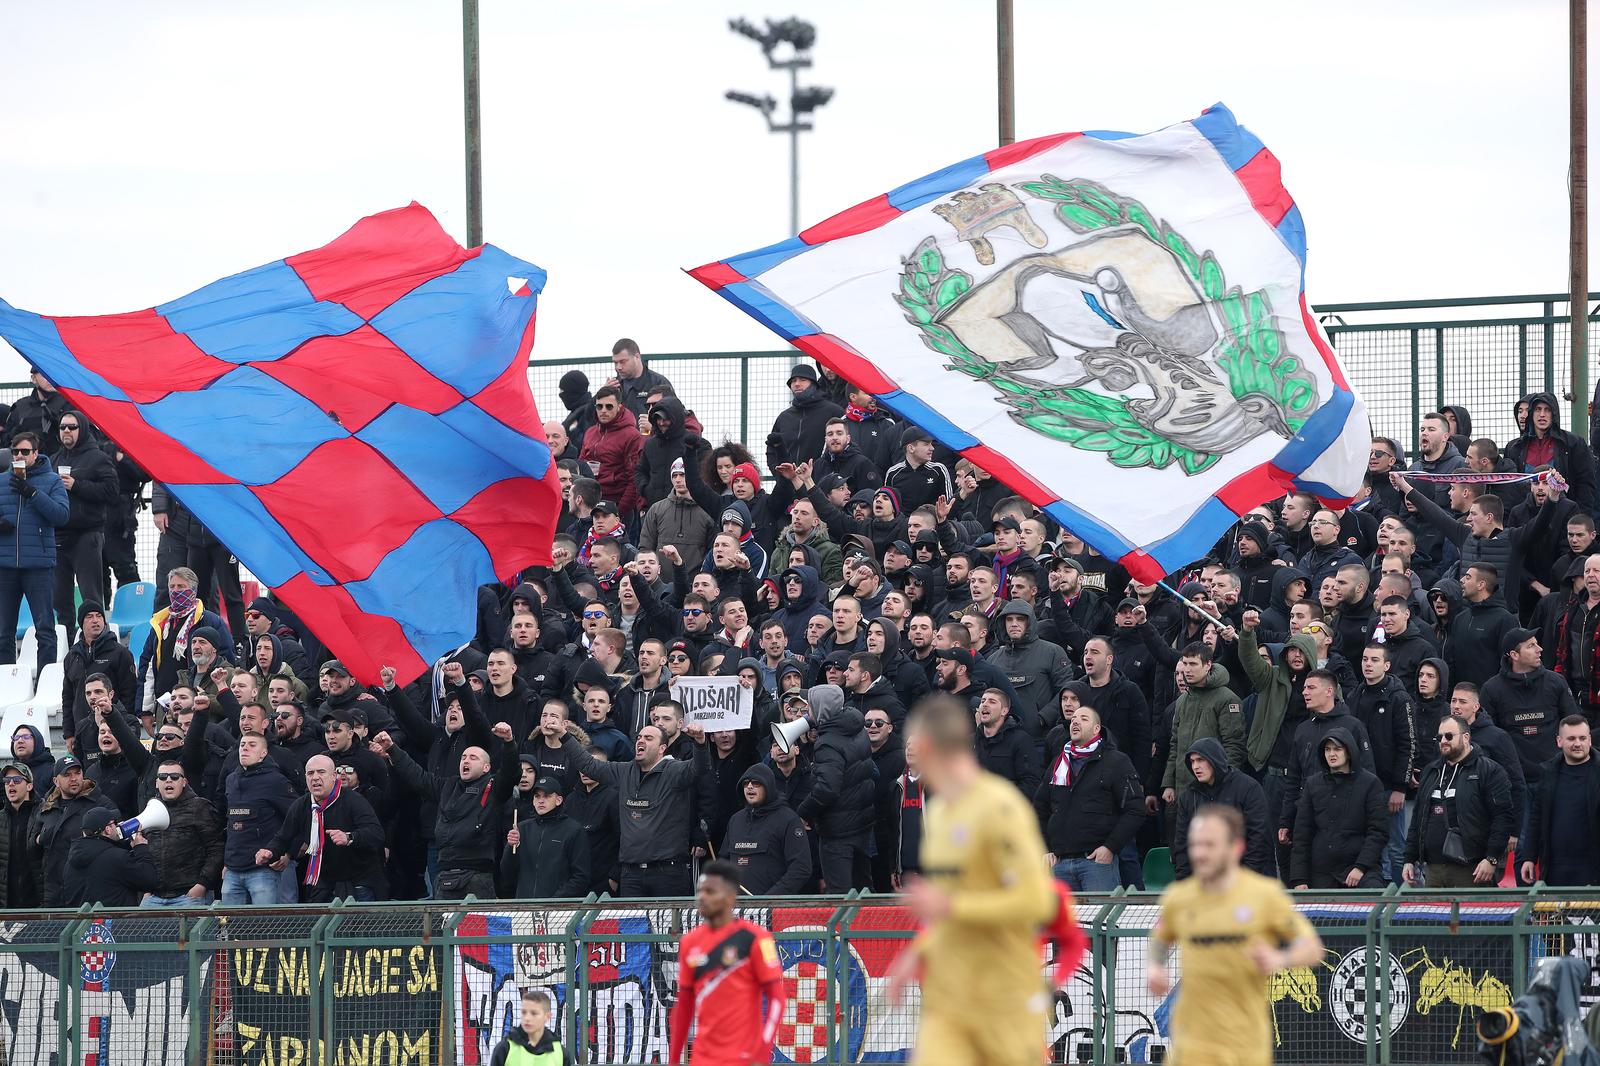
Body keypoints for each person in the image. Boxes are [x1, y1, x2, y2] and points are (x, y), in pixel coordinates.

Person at [887, 694, 1058, 1066]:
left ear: (930, 747)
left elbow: (1035, 901)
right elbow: (946, 911)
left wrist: (952, 905)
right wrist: (916, 954)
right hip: (949, 1001)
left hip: (1002, 999)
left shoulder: (1001, 806)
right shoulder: (942, 813)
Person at [1146, 805, 1324, 1066]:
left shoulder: (1265, 895)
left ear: (1235, 847)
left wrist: (1279, 958)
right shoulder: (1179, 897)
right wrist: (1155, 967)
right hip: (1191, 1043)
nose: (1199, 853)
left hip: (1243, 1044)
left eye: (1209, 845)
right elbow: (1161, 939)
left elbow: (1312, 949)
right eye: (1195, 845)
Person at [668, 860, 786, 1066]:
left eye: (710, 892)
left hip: (744, 1058)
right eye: (700, 891)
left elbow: (777, 1000)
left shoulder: (757, 938)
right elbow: (683, 1007)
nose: (702, 897)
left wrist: (761, 1052)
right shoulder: (689, 942)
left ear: (730, 898)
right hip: (702, 1059)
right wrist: (673, 1060)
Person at [1035, 705, 1143, 893]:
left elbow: (1135, 810)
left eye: (1084, 719)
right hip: (1059, 864)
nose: (1075, 721)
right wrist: (1045, 847)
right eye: (1074, 718)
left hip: (1096, 863)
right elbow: (1040, 809)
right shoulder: (1058, 763)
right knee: (1064, 923)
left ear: (1096, 729)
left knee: (1099, 922)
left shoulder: (1116, 762)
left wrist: (1110, 847)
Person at [1404, 715, 1515, 888]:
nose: (1443, 741)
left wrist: (1492, 859)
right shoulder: (1431, 771)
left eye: (1449, 736)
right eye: (1439, 737)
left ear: (1466, 737)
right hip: (1433, 869)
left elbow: (1503, 817)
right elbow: (1418, 817)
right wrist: (1409, 859)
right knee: (1433, 916)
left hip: (1472, 869)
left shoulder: (1489, 770)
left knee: (1468, 916)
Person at [259, 753, 387, 903]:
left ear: (334, 776)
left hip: (358, 883)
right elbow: (284, 836)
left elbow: (376, 834)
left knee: (356, 927)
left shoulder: (354, 800)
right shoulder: (301, 805)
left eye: (321, 772)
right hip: (321, 882)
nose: (315, 778)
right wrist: (270, 851)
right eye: (310, 773)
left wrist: (349, 837)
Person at [0, 431, 69, 674]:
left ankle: (46, 680)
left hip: (38, 566)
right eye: (15, 451)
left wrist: (32, 493)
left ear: (36, 453)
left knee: (45, 629)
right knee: (2, 632)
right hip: (5, 566)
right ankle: (7, 683)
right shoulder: (1, 481)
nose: (19, 455)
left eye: (25, 451)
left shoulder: (51, 481)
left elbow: (61, 515)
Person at [1288, 730, 1388, 889]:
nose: (1331, 754)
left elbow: (1378, 831)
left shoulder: (1370, 783)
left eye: (1337, 749)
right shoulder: (1313, 784)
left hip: (1361, 868)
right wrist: (1299, 879)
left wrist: (1361, 867)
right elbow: (1302, 835)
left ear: (1349, 752)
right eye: (1327, 749)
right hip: (1322, 871)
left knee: (1375, 898)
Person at [1172, 738, 1274, 880]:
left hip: (1251, 880)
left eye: (1201, 760)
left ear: (1215, 759)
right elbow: (1183, 844)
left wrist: (1244, 879)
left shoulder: (1248, 788)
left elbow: (1259, 837)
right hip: (1206, 884)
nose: (1195, 766)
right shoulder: (1188, 796)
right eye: (1192, 761)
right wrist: (1184, 882)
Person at [1518, 715, 1600, 886]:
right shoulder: (1548, 772)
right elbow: (1536, 818)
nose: (1577, 743)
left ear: (1590, 740)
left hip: (1594, 867)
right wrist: (1529, 857)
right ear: (1559, 741)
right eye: (1571, 738)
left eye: (1582, 738)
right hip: (1556, 868)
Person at [139, 759, 223, 906]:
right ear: (156, 783)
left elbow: (216, 849)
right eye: (163, 777)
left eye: (175, 777)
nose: (169, 780)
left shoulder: (200, 807)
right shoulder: (149, 809)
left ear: (184, 782)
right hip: (153, 897)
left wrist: (202, 885)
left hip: (189, 896)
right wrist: (146, 890)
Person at [721, 763, 812, 895]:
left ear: (768, 786)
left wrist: (769, 900)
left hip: (773, 910)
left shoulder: (788, 819)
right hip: (736, 909)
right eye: (746, 783)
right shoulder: (735, 820)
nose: (750, 786)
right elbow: (723, 861)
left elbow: (801, 868)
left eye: (756, 783)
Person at [501, 775, 591, 898]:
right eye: (537, 796)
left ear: (558, 800)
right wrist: (511, 847)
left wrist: (554, 902)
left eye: (547, 796)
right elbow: (507, 872)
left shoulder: (574, 830)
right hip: (524, 908)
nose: (541, 800)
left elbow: (581, 877)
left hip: (558, 912)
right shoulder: (521, 828)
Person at [61, 805, 159, 907]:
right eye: (114, 824)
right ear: (108, 829)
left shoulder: (70, 862)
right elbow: (149, 881)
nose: (118, 826)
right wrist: (141, 848)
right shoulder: (117, 857)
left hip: (82, 921)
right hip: (116, 921)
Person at [490, 989, 571, 1066]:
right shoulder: (505, 1049)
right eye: (524, 1012)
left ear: (547, 1016)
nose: (527, 1018)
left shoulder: (560, 1053)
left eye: (534, 1013)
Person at [0, 761, 40, 907]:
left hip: (36, 904)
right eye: (6, 781)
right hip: (7, 907)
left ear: (29, 786)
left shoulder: (43, 814)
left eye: (17, 780)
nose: (11, 784)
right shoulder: (1, 818)